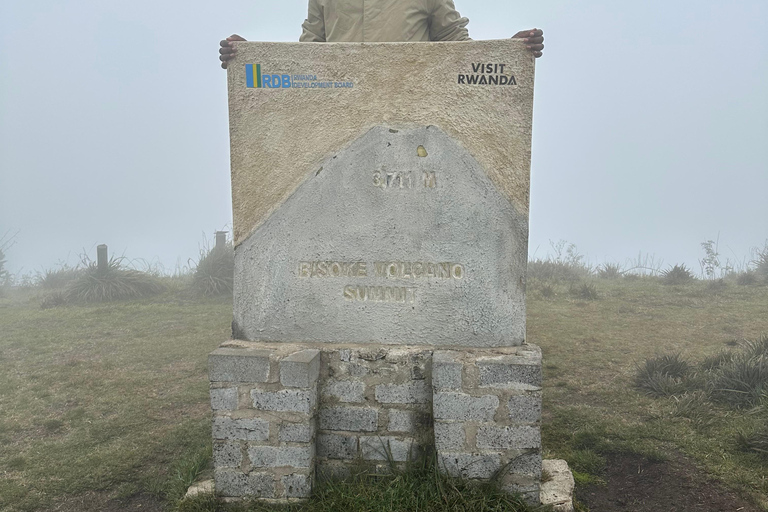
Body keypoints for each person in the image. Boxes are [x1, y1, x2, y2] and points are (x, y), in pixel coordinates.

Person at [219, 0, 544, 69]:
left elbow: (456, 45)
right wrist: (253, 59)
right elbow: (310, 58)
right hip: (341, 120)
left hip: (414, 121)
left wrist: (506, 52)